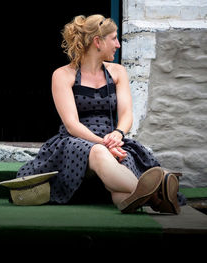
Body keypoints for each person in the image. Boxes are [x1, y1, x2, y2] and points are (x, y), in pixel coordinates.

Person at [16, 14, 183, 214]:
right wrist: (103, 144)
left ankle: (141, 196)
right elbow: (72, 125)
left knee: (120, 189)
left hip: (111, 139)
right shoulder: (63, 75)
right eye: (114, 38)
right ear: (98, 41)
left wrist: (118, 134)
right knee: (98, 152)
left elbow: (126, 114)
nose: (118, 44)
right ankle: (157, 195)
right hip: (75, 141)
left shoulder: (118, 72)